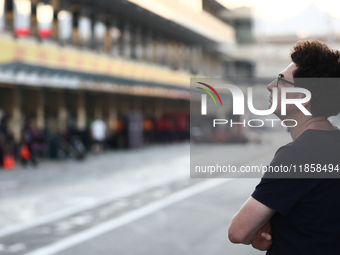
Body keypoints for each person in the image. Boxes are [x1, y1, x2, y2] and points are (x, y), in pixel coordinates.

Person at [228, 39, 340, 254]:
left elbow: (238, 231)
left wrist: (262, 228)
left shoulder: (297, 155)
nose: (270, 86)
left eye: (281, 81)